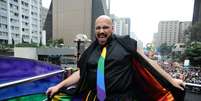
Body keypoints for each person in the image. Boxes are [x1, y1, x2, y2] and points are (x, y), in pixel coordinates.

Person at [46, 15, 185, 101]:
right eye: (98, 28)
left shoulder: (126, 43)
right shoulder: (90, 51)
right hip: (93, 98)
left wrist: (171, 80)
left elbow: (148, 62)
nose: (101, 31)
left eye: (105, 27)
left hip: (122, 98)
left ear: (112, 28)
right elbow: (82, 73)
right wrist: (59, 86)